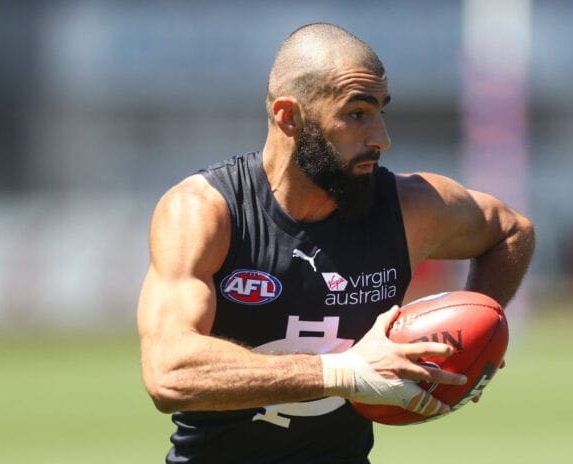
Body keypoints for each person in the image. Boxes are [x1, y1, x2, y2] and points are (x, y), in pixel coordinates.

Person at [137, 22, 535, 464]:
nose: (381, 137)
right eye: (357, 113)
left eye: (381, 111)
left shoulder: (408, 207)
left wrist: (473, 343)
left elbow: (511, 231)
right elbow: (168, 372)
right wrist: (345, 372)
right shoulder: (205, 211)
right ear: (290, 116)